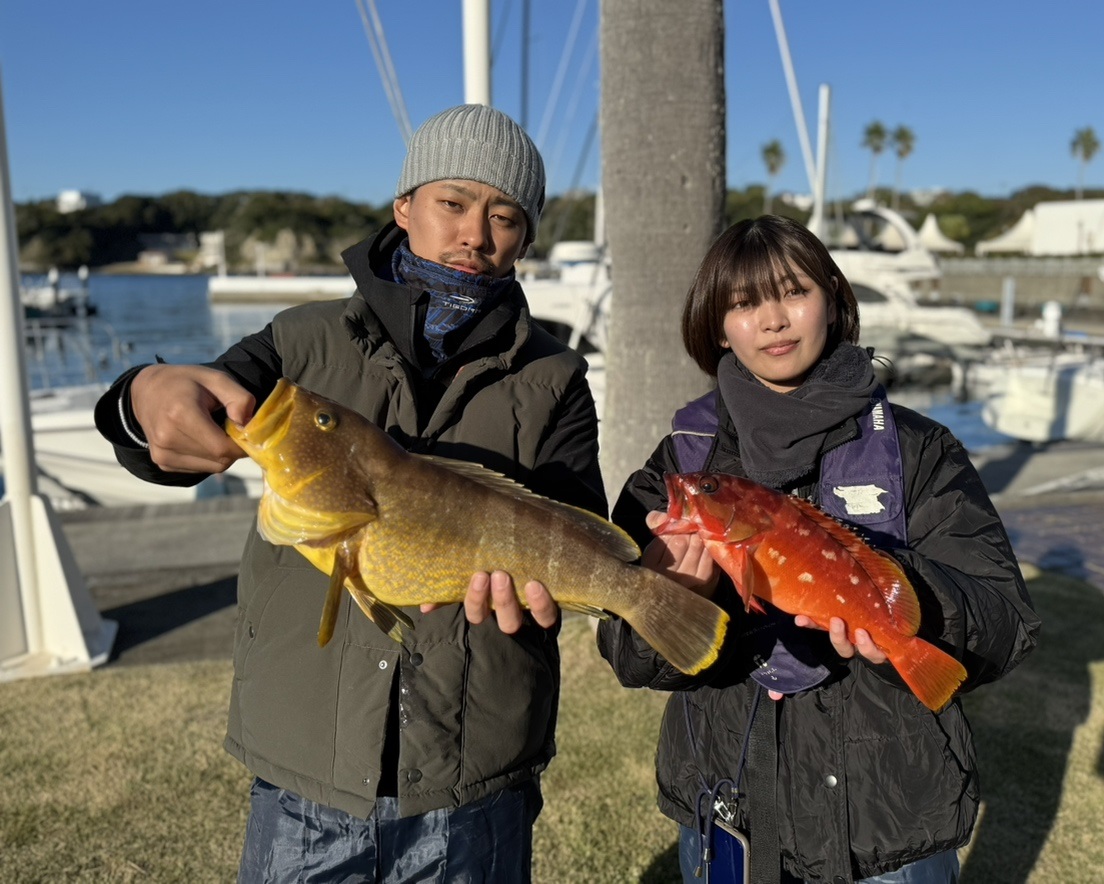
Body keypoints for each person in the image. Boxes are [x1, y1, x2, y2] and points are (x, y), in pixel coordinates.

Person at [94, 104, 606, 882]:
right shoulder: (299, 342)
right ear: (403, 208)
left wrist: (560, 589)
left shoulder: (556, 377)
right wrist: (141, 395)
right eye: (452, 203)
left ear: (526, 237)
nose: (475, 233)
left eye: (505, 215)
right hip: (306, 765)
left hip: (477, 771)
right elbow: (176, 437)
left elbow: (575, 526)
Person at [597, 215, 1040, 884]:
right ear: (718, 326)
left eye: (793, 292)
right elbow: (624, 653)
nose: (772, 319)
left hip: (888, 833)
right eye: (744, 304)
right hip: (728, 812)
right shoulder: (680, 464)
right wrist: (666, 606)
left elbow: (1007, 624)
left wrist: (907, 601)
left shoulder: (918, 450)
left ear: (832, 300)